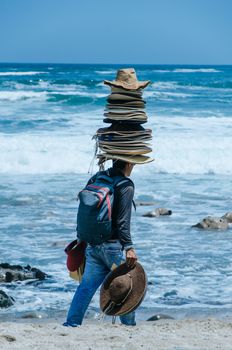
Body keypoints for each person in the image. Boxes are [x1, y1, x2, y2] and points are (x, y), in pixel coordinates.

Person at [63, 159, 137, 326]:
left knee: (86, 287)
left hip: (92, 244)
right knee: (128, 286)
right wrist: (129, 247)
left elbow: (83, 211)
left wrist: (81, 239)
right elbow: (123, 221)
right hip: (112, 248)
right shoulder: (126, 185)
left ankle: (71, 324)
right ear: (129, 164)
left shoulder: (98, 177)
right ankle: (129, 327)